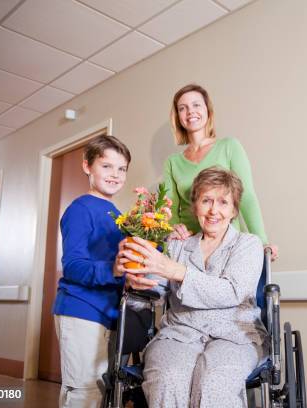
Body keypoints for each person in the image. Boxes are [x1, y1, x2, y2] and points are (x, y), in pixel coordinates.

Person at [119, 167, 268, 408]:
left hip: (234, 336)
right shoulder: (178, 246)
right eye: (206, 200)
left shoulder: (248, 245)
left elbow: (232, 291)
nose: (213, 210)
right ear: (195, 206)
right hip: (179, 334)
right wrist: (137, 283)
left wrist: (177, 271)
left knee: (215, 381)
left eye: (223, 202)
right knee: (167, 379)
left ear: (233, 210)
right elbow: (153, 293)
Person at [53, 135, 130, 408]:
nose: (115, 174)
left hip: (108, 313)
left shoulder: (115, 212)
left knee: (101, 390)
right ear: (87, 166)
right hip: (81, 310)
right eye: (107, 166)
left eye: (121, 169)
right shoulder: (80, 209)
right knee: (84, 391)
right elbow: (72, 265)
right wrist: (112, 268)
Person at [164, 83, 279, 260]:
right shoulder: (172, 162)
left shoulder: (229, 146)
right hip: (190, 247)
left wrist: (262, 241)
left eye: (196, 105)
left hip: (227, 245)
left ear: (208, 110)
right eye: (182, 108)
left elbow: (246, 196)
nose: (190, 112)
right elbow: (170, 208)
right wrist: (174, 229)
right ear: (178, 117)